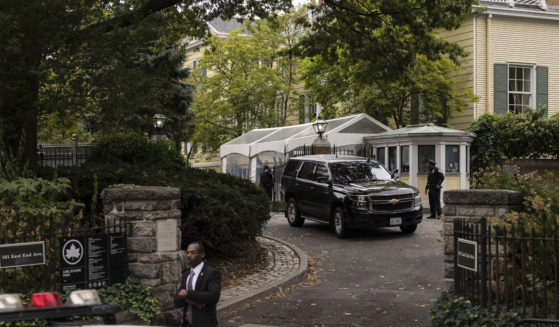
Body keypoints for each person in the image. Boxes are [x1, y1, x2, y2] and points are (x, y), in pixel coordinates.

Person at [174, 241, 221, 327]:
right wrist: (192, 301)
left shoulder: (211, 273)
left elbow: (214, 296)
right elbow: (177, 300)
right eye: (187, 252)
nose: (188, 255)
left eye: (192, 252)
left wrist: (188, 294)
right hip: (187, 323)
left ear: (202, 255)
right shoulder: (186, 275)